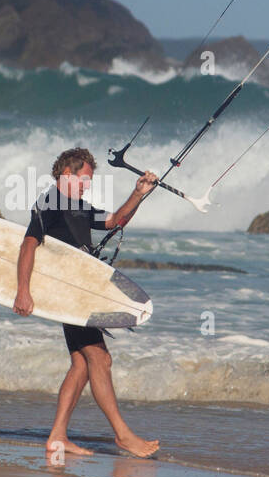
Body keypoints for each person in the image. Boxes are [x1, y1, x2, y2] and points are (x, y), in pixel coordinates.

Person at [13, 147, 160, 458]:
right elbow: (28, 244)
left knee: (81, 363)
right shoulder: (50, 203)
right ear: (67, 174)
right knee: (100, 360)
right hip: (70, 293)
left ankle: (57, 437)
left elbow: (115, 222)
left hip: (78, 290)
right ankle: (122, 435)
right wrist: (22, 290)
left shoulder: (76, 205)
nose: (87, 185)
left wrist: (139, 194)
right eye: (84, 179)